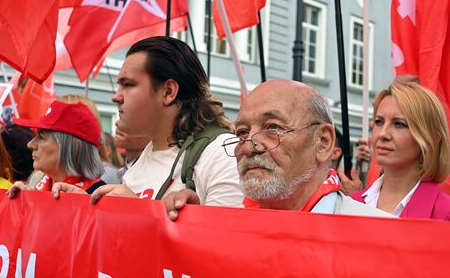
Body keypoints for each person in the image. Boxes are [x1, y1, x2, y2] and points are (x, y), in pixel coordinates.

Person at [52, 36, 243, 206]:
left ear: (168, 92)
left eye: (128, 85)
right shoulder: (143, 159)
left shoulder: (223, 154)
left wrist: (140, 213)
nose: (116, 97)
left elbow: (224, 243)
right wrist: (85, 206)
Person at [165, 79, 391, 220]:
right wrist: (197, 225)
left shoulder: (379, 238)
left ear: (322, 143)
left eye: (273, 127)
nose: (250, 146)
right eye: (242, 132)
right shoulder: (227, 226)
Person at [350, 82, 450, 220]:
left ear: (431, 138)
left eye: (399, 124)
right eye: (379, 122)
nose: (383, 134)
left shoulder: (444, 213)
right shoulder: (351, 205)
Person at [7, 100, 106, 197]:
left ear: (75, 148)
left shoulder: (102, 197)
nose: (30, 144)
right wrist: (25, 203)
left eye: (42, 137)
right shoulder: (36, 182)